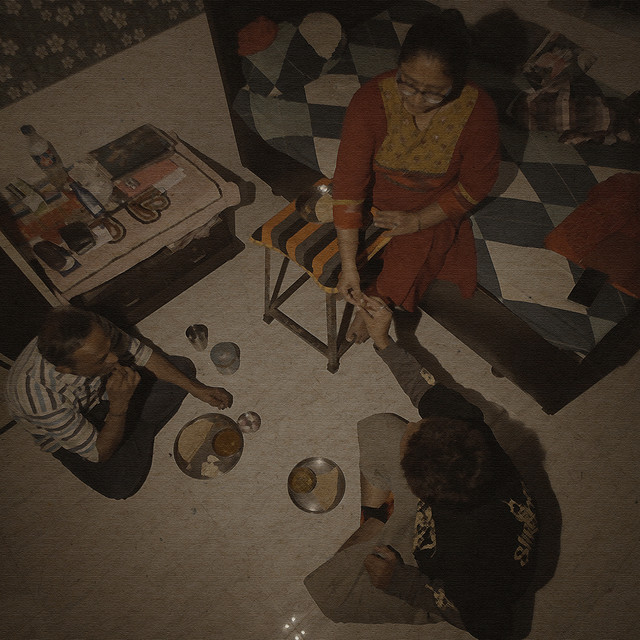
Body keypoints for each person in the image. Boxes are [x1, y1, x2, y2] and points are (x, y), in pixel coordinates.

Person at [304, 296, 537, 639]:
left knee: (329, 593)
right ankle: (378, 519)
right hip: (457, 510)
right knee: (378, 427)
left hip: (452, 575)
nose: (412, 422)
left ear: (421, 491)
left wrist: (403, 583)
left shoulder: (470, 563)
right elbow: (421, 388)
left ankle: (388, 529)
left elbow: (498, 631)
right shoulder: (466, 425)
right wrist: (383, 339)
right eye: (420, 425)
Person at [333, 10, 500, 343]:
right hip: (377, 191)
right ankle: (371, 285)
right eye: (407, 85)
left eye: (434, 92)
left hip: (433, 200)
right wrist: (348, 264)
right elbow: (350, 183)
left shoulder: (478, 110)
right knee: (339, 217)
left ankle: (376, 304)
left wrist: (420, 220)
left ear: (456, 83)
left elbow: (476, 184)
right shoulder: (369, 100)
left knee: (419, 246)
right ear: (398, 66)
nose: (416, 101)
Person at [5, 306, 233, 499]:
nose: (114, 358)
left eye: (108, 348)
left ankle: (130, 437)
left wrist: (197, 389)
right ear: (65, 370)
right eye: (101, 359)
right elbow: (98, 453)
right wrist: (119, 407)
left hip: (105, 396)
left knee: (183, 370)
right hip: (77, 428)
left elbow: (141, 354)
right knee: (120, 484)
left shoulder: (89, 327)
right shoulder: (35, 396)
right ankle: (133, 431)